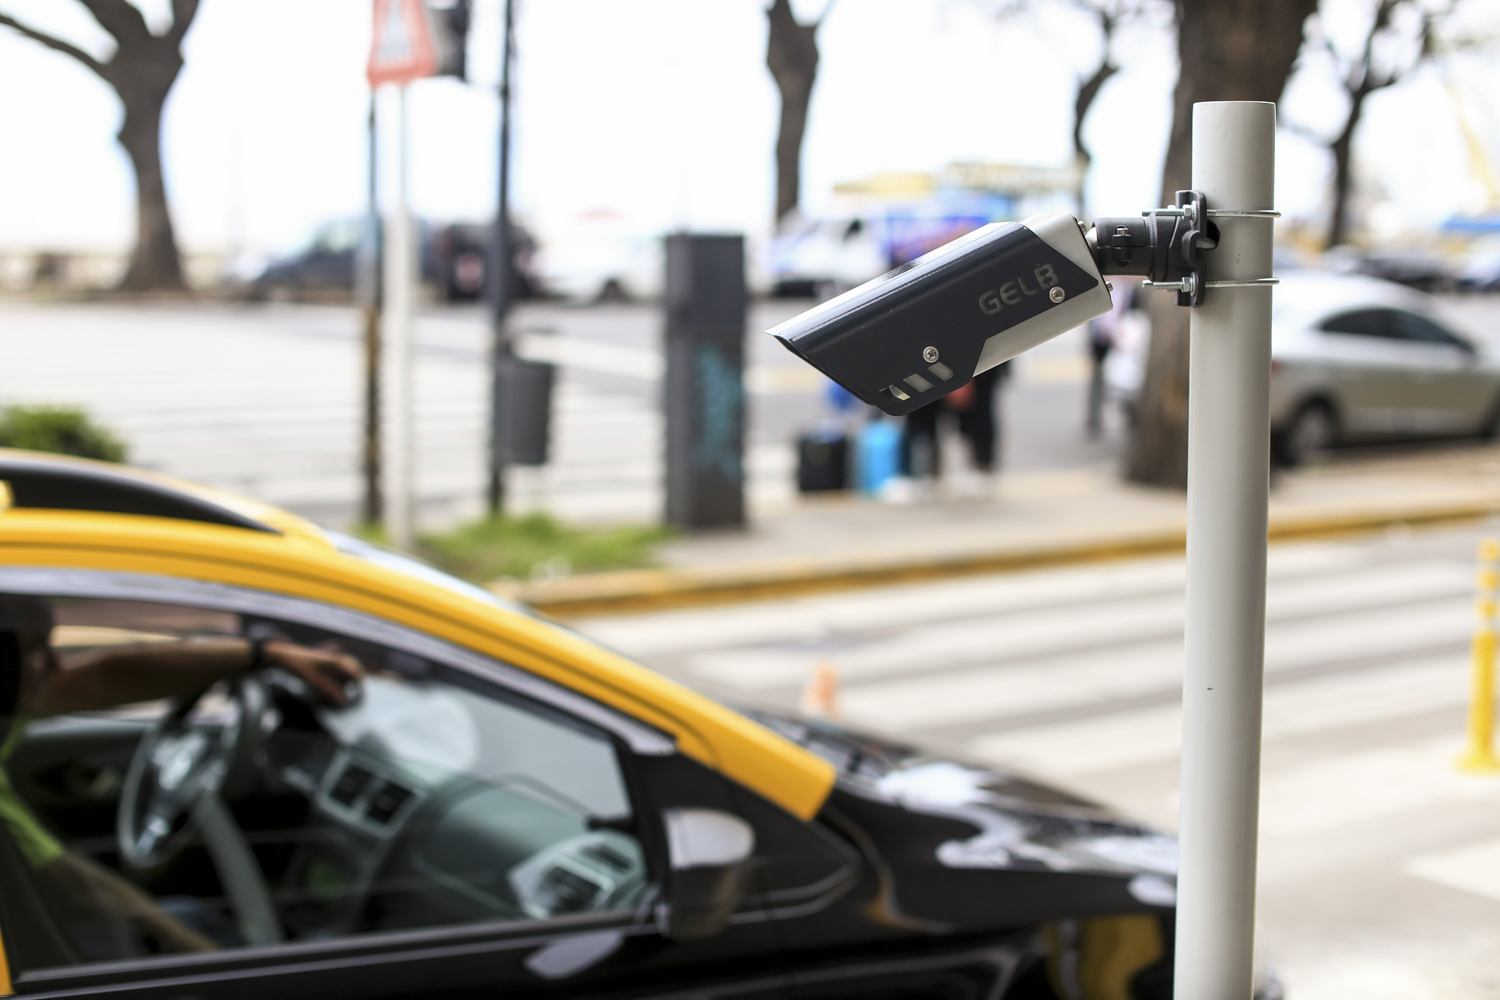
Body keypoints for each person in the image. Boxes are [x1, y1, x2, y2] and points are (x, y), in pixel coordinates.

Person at [0, 594, 362, 959]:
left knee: (191, 913)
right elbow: (79, 890)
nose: (55, 665)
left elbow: (108, 676)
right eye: (33, 648)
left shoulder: (10, 700)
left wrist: (264, 653)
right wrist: (218, 964)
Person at [902, 362, 1009, 486]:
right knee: (923, 414)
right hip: (926, 362)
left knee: (976, 411)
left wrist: (959, 374)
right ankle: (927, 472)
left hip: (970, 360)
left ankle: (981, 468)